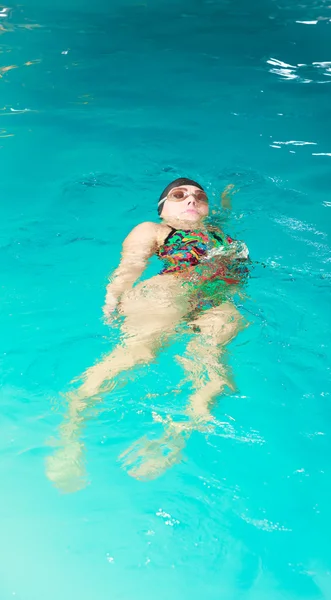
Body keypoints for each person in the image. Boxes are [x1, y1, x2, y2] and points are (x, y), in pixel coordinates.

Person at [46, 178, 250, 490]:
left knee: (214, 371)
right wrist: (112, 299)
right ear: (163, 208)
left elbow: (225, 218)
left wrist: (227, 198)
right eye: (179, 195)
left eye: (199, 197)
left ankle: (175, 437)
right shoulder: (154, 230)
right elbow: (129, 266)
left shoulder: (218, 233)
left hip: (218, 302)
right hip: (169, 292)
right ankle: (69, 434)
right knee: (136, 355)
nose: (191, 201)